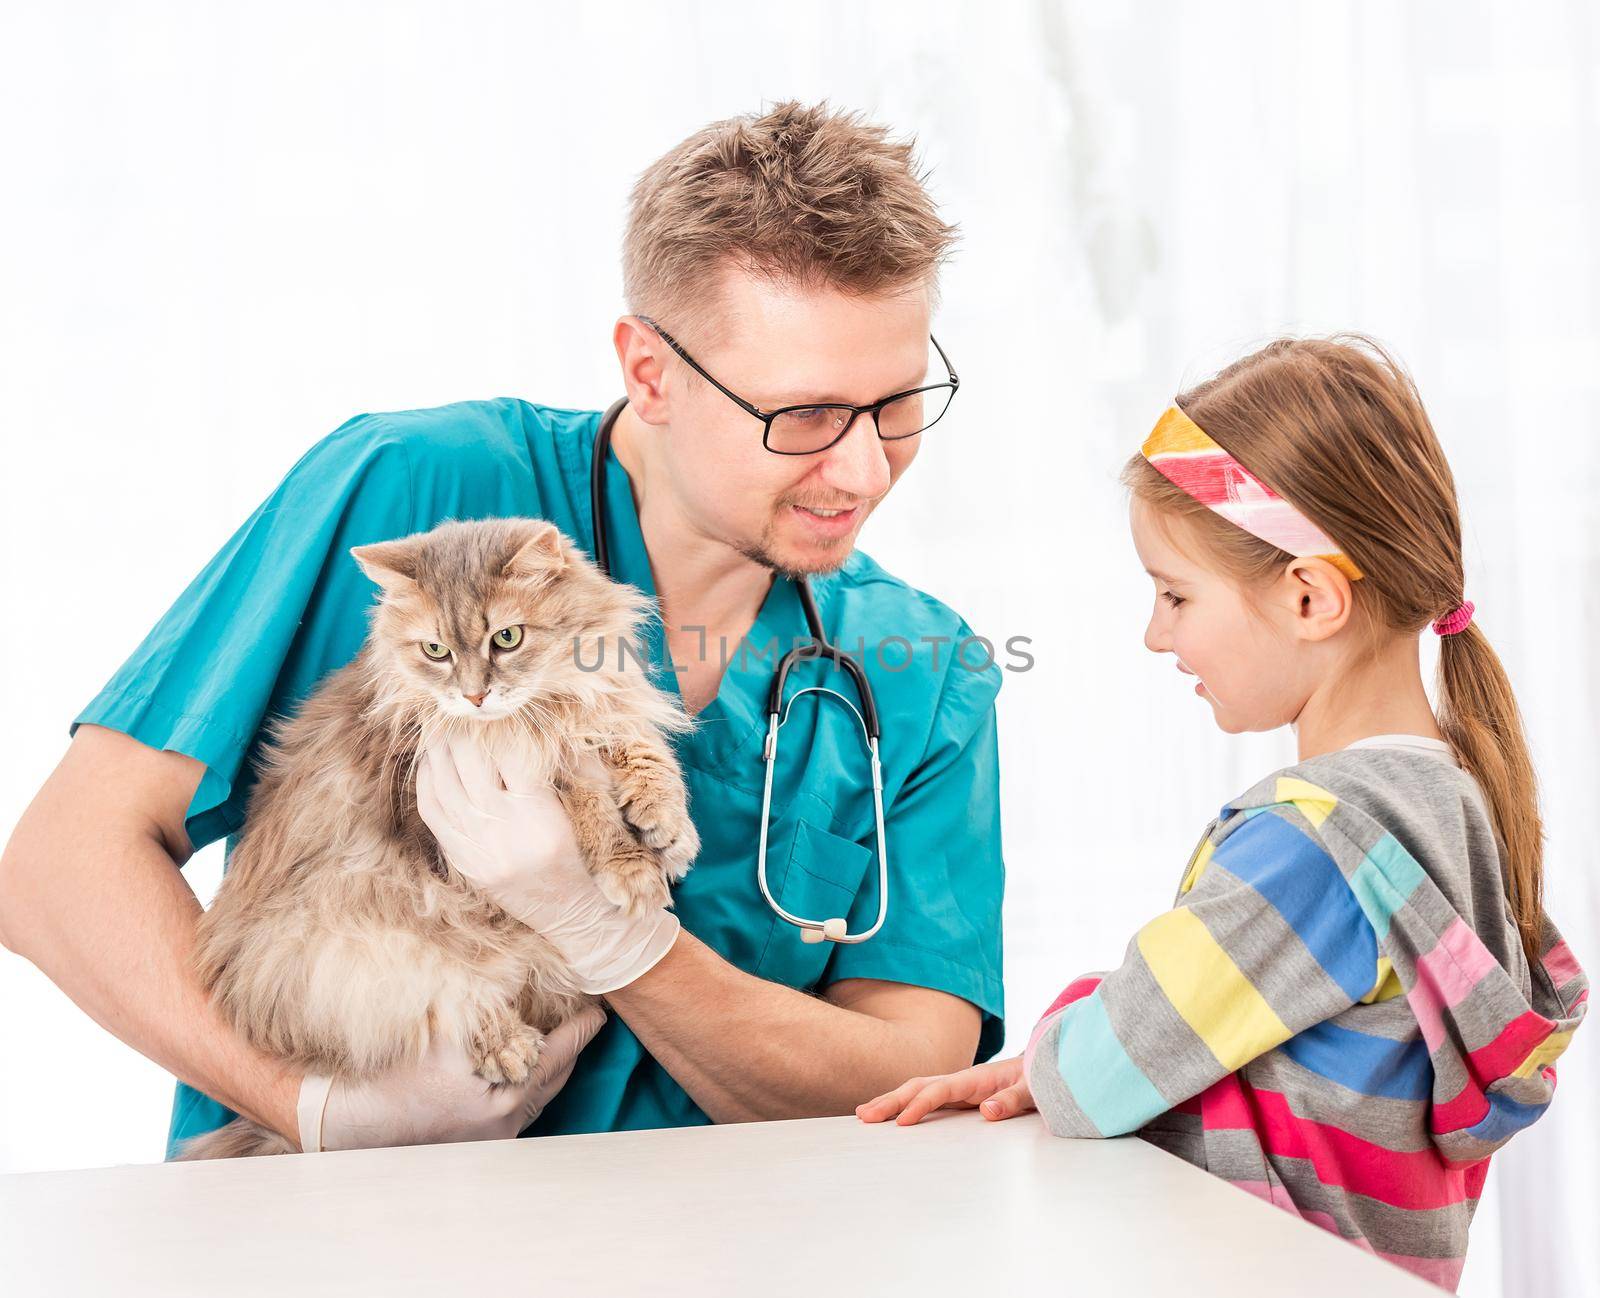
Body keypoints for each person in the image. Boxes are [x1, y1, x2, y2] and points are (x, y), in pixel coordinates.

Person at [0, 102, 1006, 1156]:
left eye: (897, 403)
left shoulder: (921, 667)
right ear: (650, 372)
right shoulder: (420, 495)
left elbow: (914, 1078)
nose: (863, 468)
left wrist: (617, 937)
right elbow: (58, 867)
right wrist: (312, 1106)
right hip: (353, 1245)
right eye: (802, 415)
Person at [858, 337, 1588, 1291]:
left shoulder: (1316, 843)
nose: (1155, 633)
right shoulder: (1448, 802)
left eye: (1175, 594)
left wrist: (1052, 1051)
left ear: (1310, 597)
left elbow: (1107, 1074)